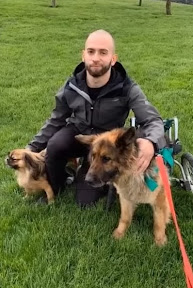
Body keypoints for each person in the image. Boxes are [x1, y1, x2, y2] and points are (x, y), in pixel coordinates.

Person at [27, 29, 166, 207]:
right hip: (79, 135)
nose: (95, 58)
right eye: (91, 51)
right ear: (83, 55)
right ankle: (56, 185)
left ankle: (86, 169)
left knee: (84, 201)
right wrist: (33, 147)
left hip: (107, 145)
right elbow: (56, 119)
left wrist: (150, 142)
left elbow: (152, 120)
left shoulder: (127, 88)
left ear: (113, 59)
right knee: (55, 145)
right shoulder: (71, 85)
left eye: (103, 52)